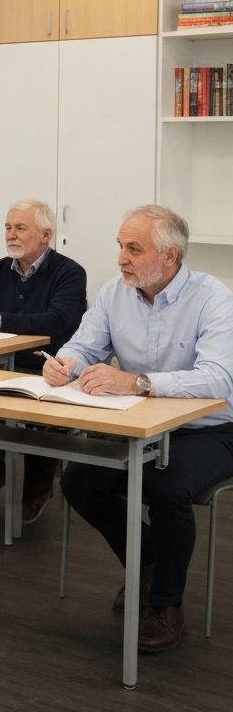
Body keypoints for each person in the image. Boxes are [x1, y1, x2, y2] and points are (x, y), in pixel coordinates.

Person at [45, 205, 233, 653]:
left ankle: (166, 603)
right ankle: (150, 562)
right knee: (79, 482)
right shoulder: (115, 293)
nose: (120, 259)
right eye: (120, 246)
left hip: (210, 428)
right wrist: (67, 364)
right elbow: (85, 345)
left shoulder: (213, 298)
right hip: (139, 425)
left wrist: (138, 382)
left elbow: (220, 379)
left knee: (168, 489)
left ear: (170, 256)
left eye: (133, 249)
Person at [0, 199, 87, 523]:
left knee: (39, 409)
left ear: (46, 235)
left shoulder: (69, 273)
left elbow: (57, 322)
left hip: (46, 368)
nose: (11, 235)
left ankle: (38, 487)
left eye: (21, 228)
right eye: (8, 227)